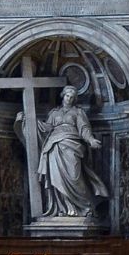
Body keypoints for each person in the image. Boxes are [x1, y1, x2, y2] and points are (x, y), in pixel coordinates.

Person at [36, 85, 108, 218]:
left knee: (75, 177)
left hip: (72, 145)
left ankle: (84, 207)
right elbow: (46, 128)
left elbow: (84, 129)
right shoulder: (54, 113)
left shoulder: (78, 112)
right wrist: (31, 121)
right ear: (63, 96)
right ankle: (63, 208)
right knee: (57, 178)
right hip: (54, 147)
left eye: (72, 97)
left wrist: (91, 140)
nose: (69, 98)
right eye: (67, 95)